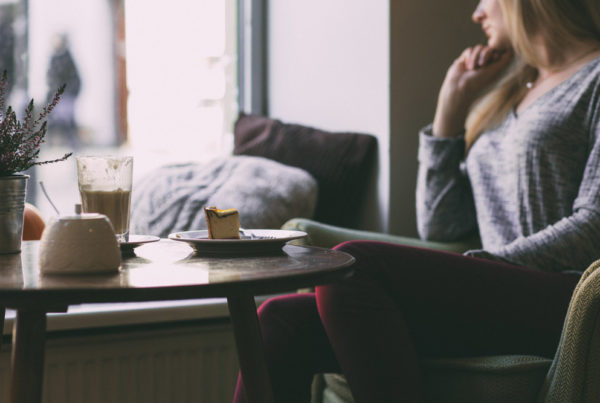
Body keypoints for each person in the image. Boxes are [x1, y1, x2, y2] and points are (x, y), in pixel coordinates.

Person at [233, 0, 600, 402]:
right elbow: (443, 226)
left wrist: (480, 268)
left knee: (354, 264)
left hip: (572, 296)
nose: (477, 14)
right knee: (278, 320)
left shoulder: (593, 78)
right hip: (494, 290)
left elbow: (593, 226)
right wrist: (450, 110)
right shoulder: (512, 87)